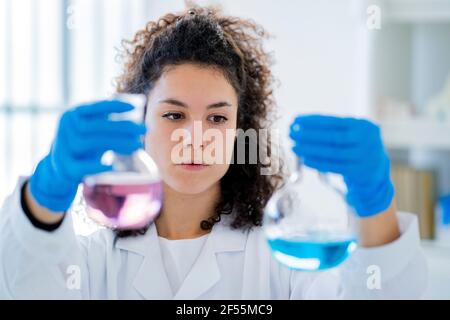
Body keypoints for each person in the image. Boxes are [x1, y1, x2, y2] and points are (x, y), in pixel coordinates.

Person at [0, 6, 427, 299]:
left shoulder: (284, 257)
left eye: (218, 118)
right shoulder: (96, 260)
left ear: (241, 129)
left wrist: (376, 204)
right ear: (140, 124)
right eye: (173, 115)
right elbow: (24, 284)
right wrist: (46, 188)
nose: (195, 136)